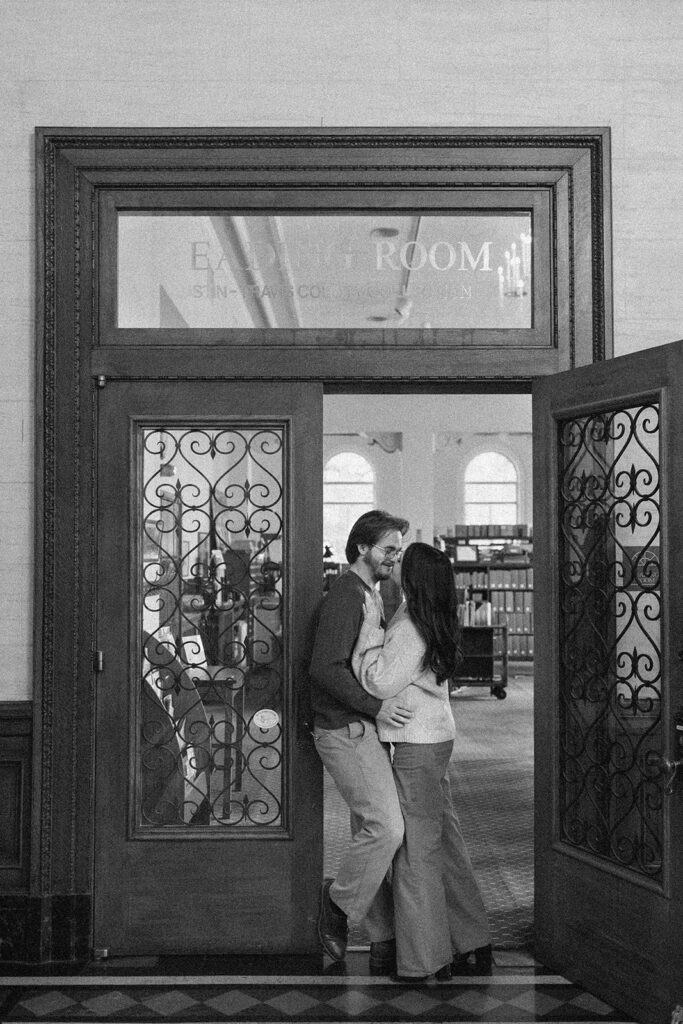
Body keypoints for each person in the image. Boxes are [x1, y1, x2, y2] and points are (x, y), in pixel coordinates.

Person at [352, 541, 491, 981]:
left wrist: (371, 633)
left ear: (412, 577)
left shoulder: (411, 625)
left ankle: (426, 959)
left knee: (416, 851)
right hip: (436, 739)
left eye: (400, 562)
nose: (392, 565)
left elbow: (379, 681)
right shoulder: (434, 615)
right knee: (443, 841)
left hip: (416, 745)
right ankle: (474, 939)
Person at [309, 509, 411, 973]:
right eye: (389, 548)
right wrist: (376, 707)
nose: (396, 556)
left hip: (358, 729)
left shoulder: (374, 591)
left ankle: (384, 940)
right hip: (344, 730)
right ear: (362, 549)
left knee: (367, 830)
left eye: (398, 549)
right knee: (386, 828)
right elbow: (324, 668)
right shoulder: (346, 596)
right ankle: (336, 902)